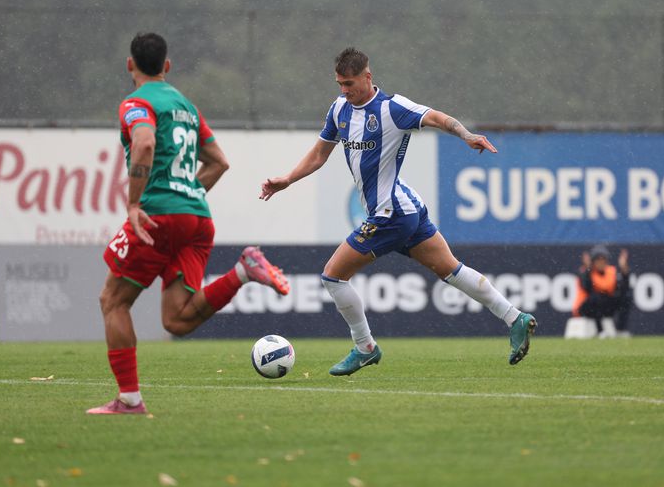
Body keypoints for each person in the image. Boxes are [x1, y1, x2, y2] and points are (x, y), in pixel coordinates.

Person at [260, 47, 536, 375]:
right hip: (407, 208)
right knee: (451, 269)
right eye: (339, 84)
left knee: (332, 276)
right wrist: (287, 179)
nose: (344, 90)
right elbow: (320, 154)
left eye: (349, 83)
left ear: (367, 77)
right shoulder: (339, 110)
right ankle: (515, 318)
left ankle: (365, 346)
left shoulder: (393, 108)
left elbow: (437, 118)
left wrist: (466, 135)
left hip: (390, 214)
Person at [87, 32, 289, 415]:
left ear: (130, 65)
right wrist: (188, 195)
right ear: (167, 66)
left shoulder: (136, 103)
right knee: (177, 320)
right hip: (197, 217)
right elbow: (219, 162)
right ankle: (243, 273)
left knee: (113, 301)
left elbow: (144, 143)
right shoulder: (186, 106)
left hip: (158, 215)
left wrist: (133, 202)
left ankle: (129, 400)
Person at [573, 245, 631, 338]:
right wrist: (588, 270)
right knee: (596, 297)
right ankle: (600, 331)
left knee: (626, 297)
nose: (601, 262)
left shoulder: (612, 271)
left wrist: (625, 273)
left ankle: (620, 330)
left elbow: (622, 289)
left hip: (604, 306)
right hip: (586, 307)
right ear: (593, 261)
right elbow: (587, 288)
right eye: (598, 259)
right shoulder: (585, 271)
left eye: (603, 259)